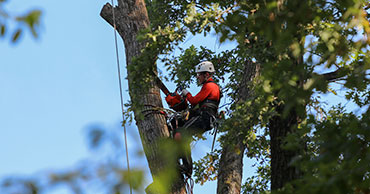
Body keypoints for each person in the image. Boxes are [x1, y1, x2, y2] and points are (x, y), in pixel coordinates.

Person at [174, 61, 221, 177]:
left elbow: (194, 101)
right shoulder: (208, 87)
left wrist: (186, 93)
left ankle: (187, 167)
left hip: (205, 118)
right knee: (178, 126)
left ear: (207, 75)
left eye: (199, 74)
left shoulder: (210, 86)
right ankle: (178, 153)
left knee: (182, 133)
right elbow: (197, 105)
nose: (197, 77)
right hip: (202, 116)